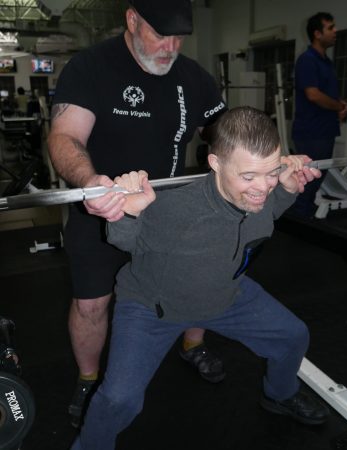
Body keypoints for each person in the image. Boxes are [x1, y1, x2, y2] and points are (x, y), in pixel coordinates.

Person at [71, 106, 328, 450]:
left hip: (227, 295)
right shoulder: (175, 209)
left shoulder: (261, 193)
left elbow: (267, 210)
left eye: (271, 172)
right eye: (249, 176)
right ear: (216, 163)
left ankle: (279, 394)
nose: (262, 188)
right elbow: (124, 241)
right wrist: (128, 210)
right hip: (153, 307)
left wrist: (287, 188)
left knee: (293, 336)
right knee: (118, 399)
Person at [47, 0, 227, 428]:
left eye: (179, 37)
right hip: (101, 206)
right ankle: (89, 378)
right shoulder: (91, 67)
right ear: (132, 19)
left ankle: (191, 345)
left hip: (165, 212)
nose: (170, 47)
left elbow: (225, 132)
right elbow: (65, 136)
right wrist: (93, 183)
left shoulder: (192, 76)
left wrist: (265, 154)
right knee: (92, 303)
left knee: (194, 280)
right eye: (160, 34)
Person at [290, 12, 347, 218]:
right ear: (317, 33)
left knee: (318, 176)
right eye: (330, 28)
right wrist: (337, 106)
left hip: (325, 129)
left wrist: (340, 104)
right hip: (311, 132)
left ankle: (304, 211)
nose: (335, 31)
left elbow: (328, 93)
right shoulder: (307, 60)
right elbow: (313, 95)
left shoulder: (326, 62)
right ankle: (298, 218)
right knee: (308, 177)